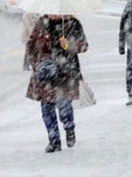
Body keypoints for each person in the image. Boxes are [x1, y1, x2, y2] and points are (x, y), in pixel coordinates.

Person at [25, 14, 89, 153]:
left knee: (64, 105)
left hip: (66, 73)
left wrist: (69, 45)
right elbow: (30, 45)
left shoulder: (72, 23)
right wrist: (36, 64)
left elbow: (83, 46)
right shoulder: (42, 23)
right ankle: (53, 139)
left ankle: (69, 128)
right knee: (46, 108)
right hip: (46, 74)